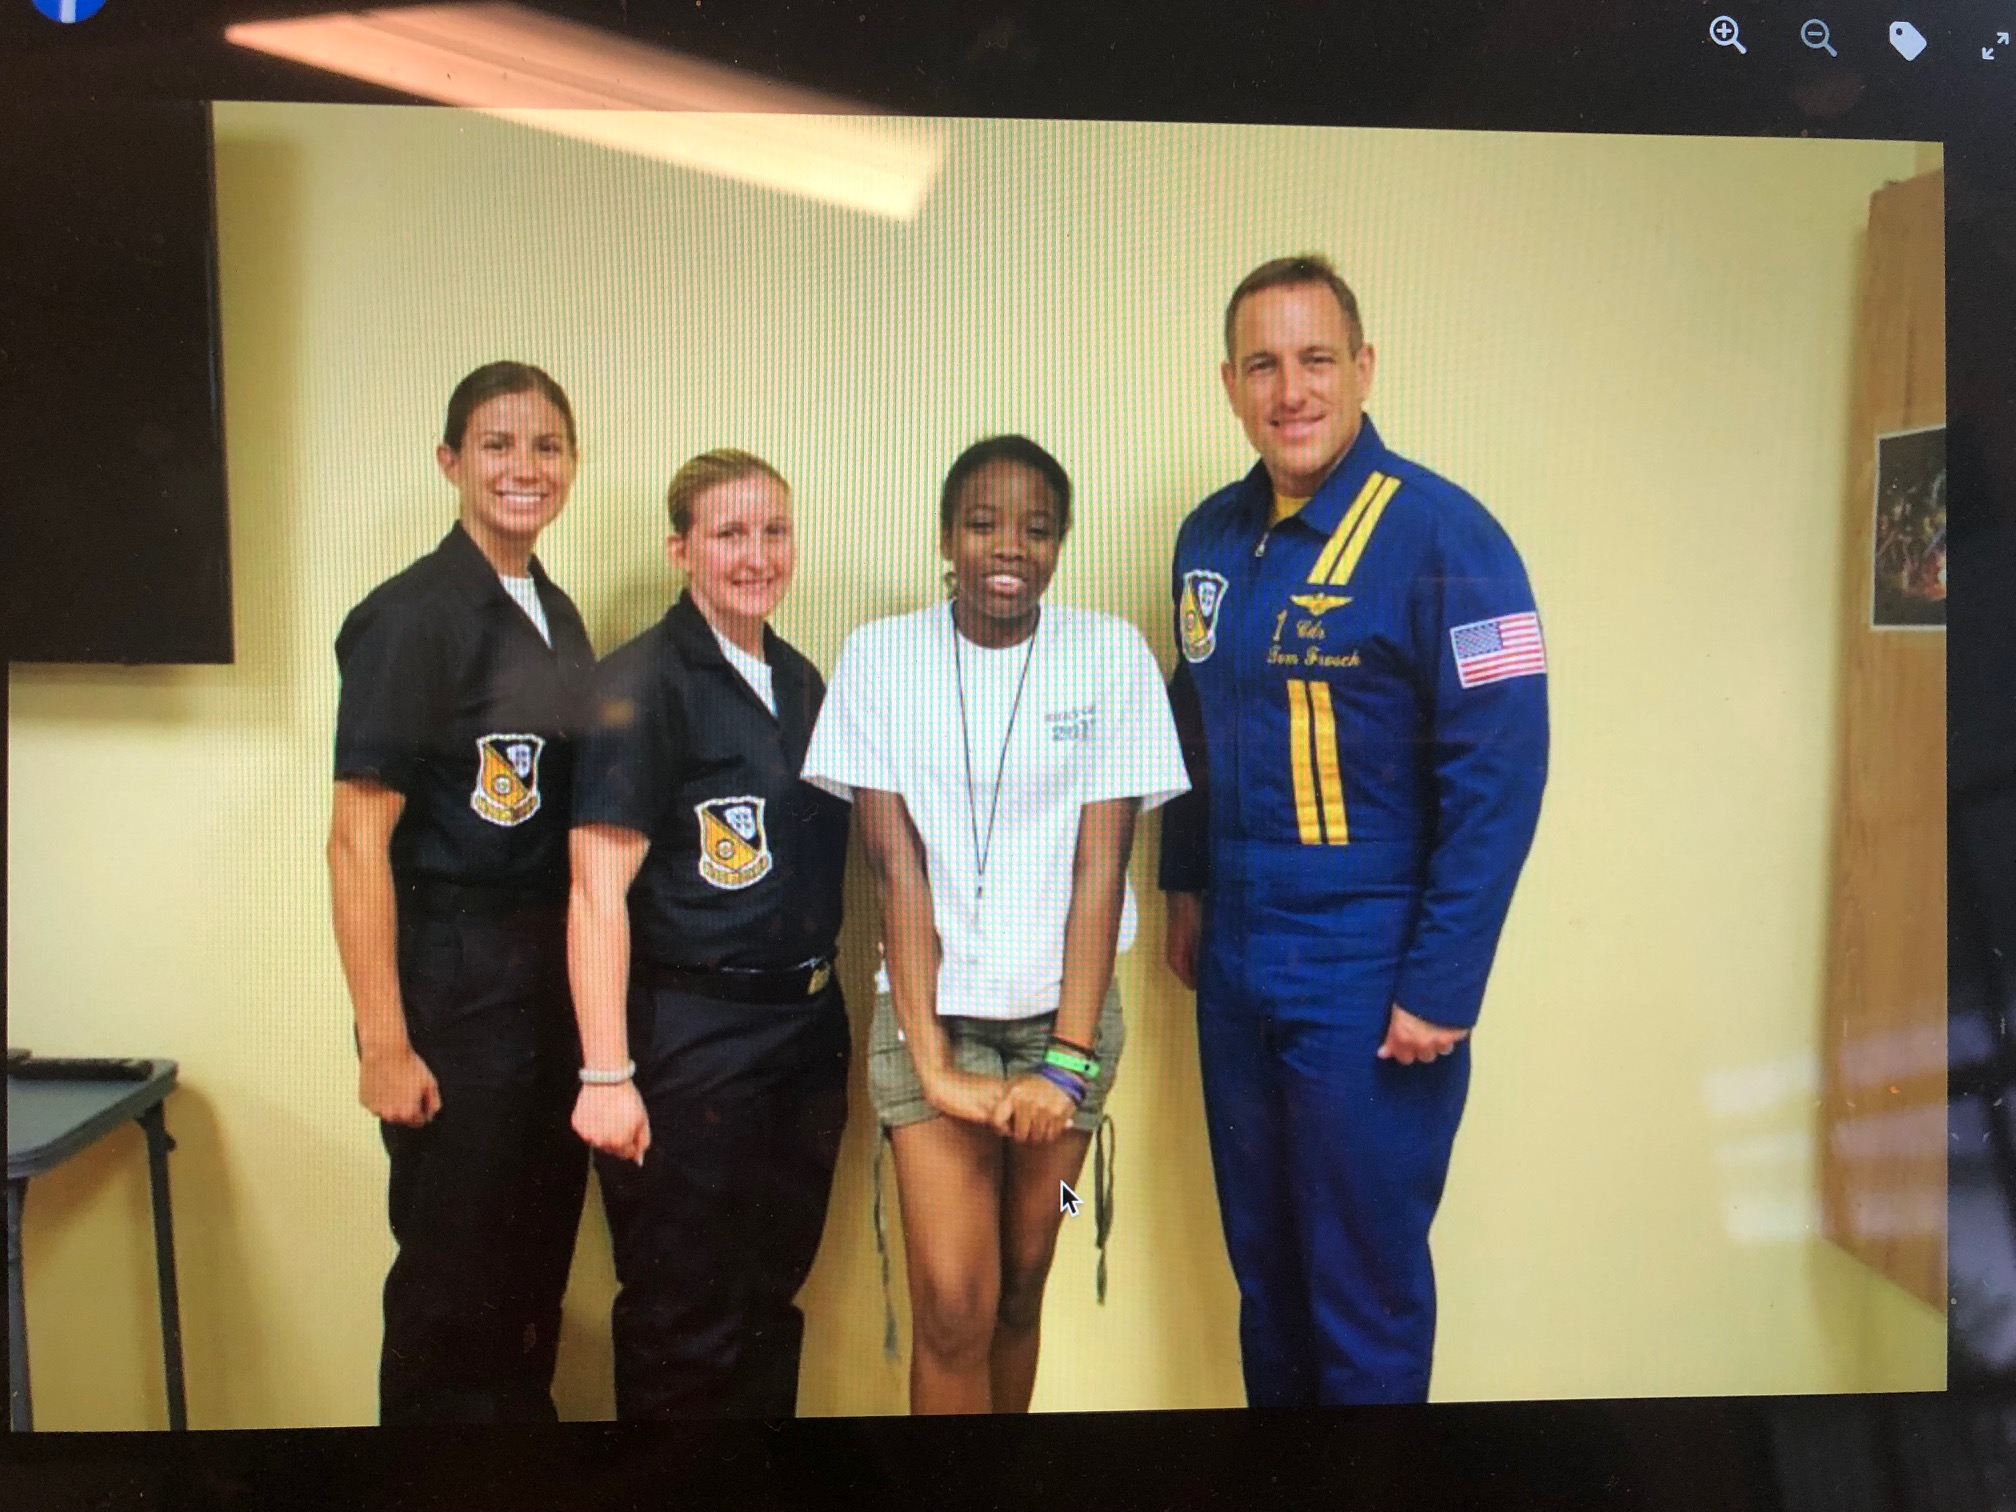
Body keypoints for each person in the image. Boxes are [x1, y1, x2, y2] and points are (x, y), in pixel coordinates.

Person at [1160, 255, 1549, 1406]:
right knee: (1268, 1282)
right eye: (1263, 365)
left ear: (1365, 368)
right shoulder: (1208, 539)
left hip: (1370, 969)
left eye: (1317, 359)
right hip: (1237, 961)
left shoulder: (1448, 538)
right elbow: (1192, 722)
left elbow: (1502, 775)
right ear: (1229, 385)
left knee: (1361, 1299)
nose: (1292, 391)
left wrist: (1442, 982)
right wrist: (1186, 889)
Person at [802, 435, 1189, 1414]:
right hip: (934, 1025)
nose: (1010, 546)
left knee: (1027, 1277)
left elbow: (1101, 868)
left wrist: (1066, 1068)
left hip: (1070, 1033)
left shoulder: (1109, 656)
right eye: (982, 524)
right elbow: (894, 869)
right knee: (952, 1305)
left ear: (1061, 543)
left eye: (1038, 529)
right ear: (946, 536)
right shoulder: (881, 659)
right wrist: (934, 1069)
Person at [327, 361, 595, 1424]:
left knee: (529, 1285)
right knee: (456, 1298)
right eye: (497, 445)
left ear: (572, 464)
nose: (525, 467)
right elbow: (356, 842)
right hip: (454, 987)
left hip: (544, 989)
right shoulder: (413, 618)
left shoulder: (553, 613)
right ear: (449, 462)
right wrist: (384, 1043)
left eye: (547, 446)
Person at [567, 449, 851, 1420]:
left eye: (775, 531)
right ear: (679, 549)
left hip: (803, 1034)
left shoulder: (800, 682)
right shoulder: (640, 684)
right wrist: (606, 1074)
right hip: (692, 1039)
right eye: (729, 533)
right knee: (685, 1316)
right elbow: (595, 893)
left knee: (771, 1301)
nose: (757, 555)